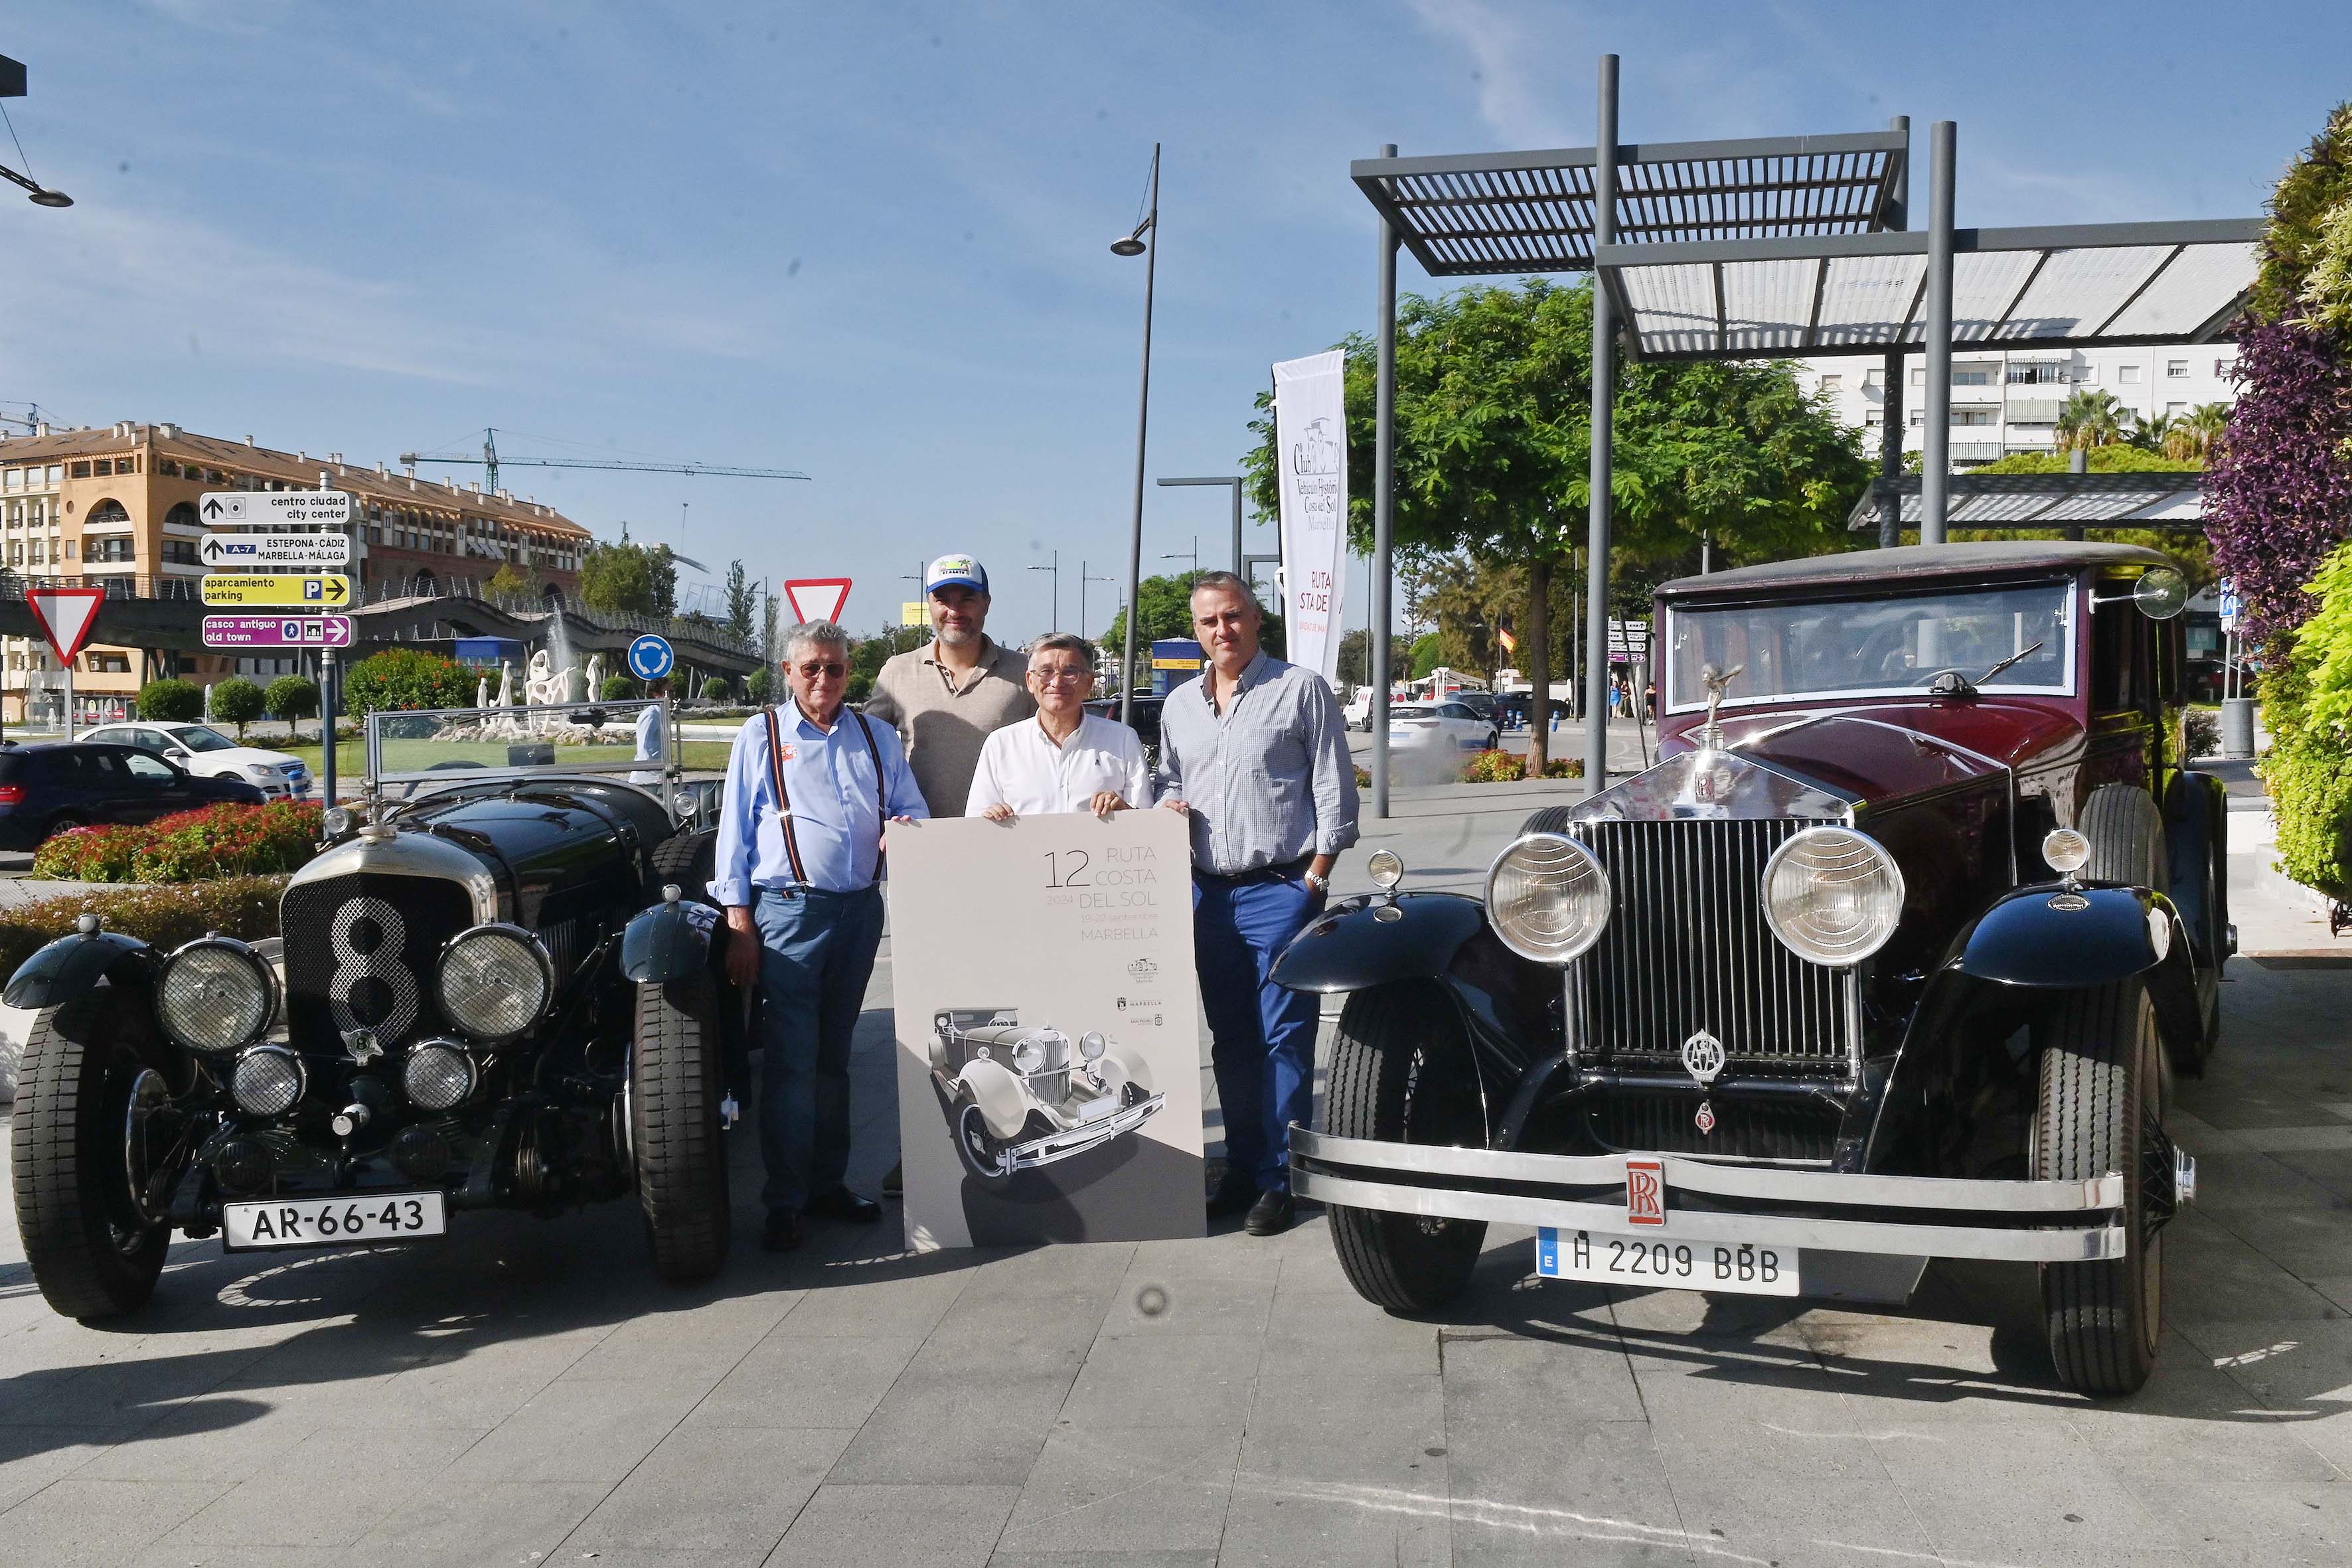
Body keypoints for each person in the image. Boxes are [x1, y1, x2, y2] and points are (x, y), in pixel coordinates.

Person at [712, 621, 929, 1253]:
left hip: (860, 912)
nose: (824, 680)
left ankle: (826, 1185)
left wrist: (904, 828)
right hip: (787, 914)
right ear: (787, 672)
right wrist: (738, 919)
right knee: (790, 1062)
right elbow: (734, 833)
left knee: (835, 1058)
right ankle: (783, 1201)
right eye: (811, 668)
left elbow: (909, 805)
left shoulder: (876, 734)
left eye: (834, 669)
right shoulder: (762, 735)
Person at [1156, 572, 1359, 1237]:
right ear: (1197, 630)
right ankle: (1243, 1166)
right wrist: (1168, 808)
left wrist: (1315, 879)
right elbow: (1170, 779)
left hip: (1281, 890)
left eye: (1235, 616)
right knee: (1232, 1040)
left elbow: (1335, 790)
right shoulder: (1180, 705)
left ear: (1256, 619)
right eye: (1210, 621)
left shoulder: (1300, 690)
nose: (1224, 630)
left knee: (1285, 1039)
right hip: (1208, 896)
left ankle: (1281, 1177)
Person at [863, 553, 1034, 1198]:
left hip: (1004, 869)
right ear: (929, 604)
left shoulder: (1021, 675)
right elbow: (863, 749)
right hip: (925, 873)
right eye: (943, 598)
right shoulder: (898, 673)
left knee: (1004, 1013)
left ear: (986, 604)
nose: (954, 609)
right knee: (932, 1020)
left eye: (966, 598)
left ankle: (1010, 1134)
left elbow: (1060, 744)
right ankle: (932, 1150)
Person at [967, 634, 1149, 821]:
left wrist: (1125, 812)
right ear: (1030, 681)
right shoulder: (1001, 745)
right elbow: (974, 826)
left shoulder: (1122, 740)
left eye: (1070, 672)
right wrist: (990, 818)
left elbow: (1148, 825)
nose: (1057, 682)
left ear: (1088, 682)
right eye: (1046, 672)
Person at [630, 676, 669, 787]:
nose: (673, 696)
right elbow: (644, 749)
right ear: (657, 695)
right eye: (668, 692)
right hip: (646, 779)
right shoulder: (650, 715)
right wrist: (654, 774)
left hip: (658, 774)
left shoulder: (662, 714)